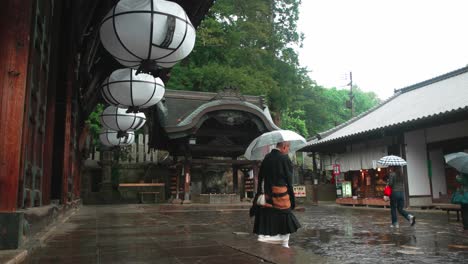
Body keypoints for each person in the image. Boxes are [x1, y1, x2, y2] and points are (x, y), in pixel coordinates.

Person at [252, 141, 301, 248]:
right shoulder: (284, 158)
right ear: (284, 147)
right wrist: (292, 198)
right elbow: (289, 180)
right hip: (281, 193)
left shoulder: (267, 157)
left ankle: (270, 238)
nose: (288, 150)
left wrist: (260, 192)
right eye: (288, 148)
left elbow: (260, 177)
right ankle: (282, 242)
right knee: (286, 216)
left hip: (267, 193)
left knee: (271, 215)